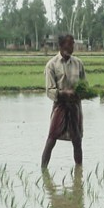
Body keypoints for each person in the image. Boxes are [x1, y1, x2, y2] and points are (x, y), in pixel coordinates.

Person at [42, 34, 86, 168]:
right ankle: (43, 169)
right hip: (60, 105)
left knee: (77, 139)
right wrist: (64, 93)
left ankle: (79, 171)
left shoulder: (78, 63)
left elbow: (84, 84)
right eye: (69, 45)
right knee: (52, 138)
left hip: (74, 105)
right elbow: (50, 90)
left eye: (73, 45)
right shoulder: (52, 65)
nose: (72, 48)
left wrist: (82, 93)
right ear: (61, 46)